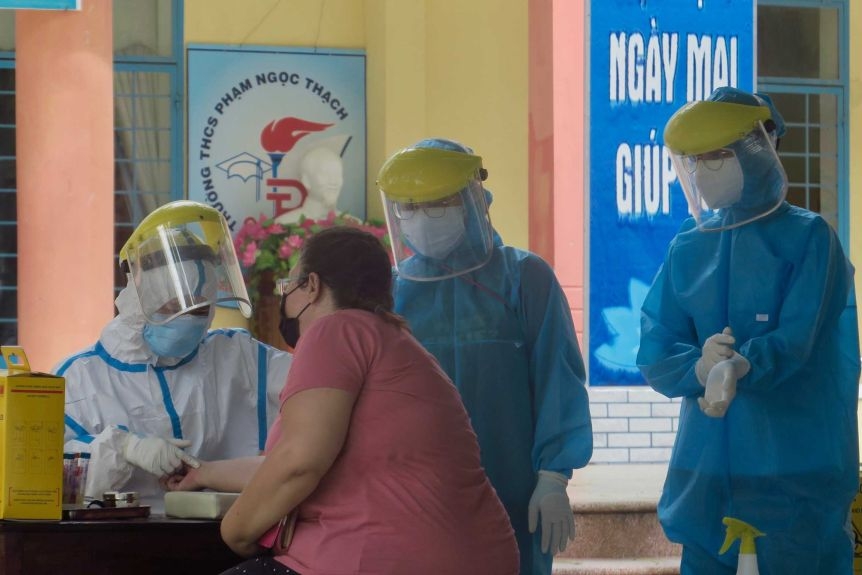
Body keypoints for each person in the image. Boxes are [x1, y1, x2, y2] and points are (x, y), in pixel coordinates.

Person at [163, 226, 520, 575]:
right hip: (476, 553)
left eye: (289, 286)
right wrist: (203, 473)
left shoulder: (336, 330)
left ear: (313, 286)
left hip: (387, 557)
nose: (286, 300)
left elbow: (299, 464)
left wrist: (236, 531)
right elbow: (285, 462)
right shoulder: (395, 342)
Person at [637, 87, 860, 574]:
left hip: (795, 481)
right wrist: (697, 367)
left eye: (718, 155)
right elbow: (655, 344)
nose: (702, 170)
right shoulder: (689, 246)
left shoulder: (808, 240)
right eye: (695, 159)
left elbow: (798, 340)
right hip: (708, 484)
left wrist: (741, 365)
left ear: (760, 149)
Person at [377, 138, 593, 575]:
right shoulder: (391, 292)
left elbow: (558, 378)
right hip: (414, 499)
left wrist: (553, 477)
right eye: (409, 207)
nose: (422, 219)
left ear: (473, 198)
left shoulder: (523, 278)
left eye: (438, 203)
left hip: (511, 493)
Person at [58, 200, 293, 510]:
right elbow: (47, 472)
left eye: (201, 309)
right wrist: (123, 448)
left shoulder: (239, 357)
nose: (189, 320)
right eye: (173, 308)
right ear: (140, 303)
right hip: (121, 541)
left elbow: (318, 387)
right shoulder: (79, 377)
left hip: (228, 532)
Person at [275, 145, 344, 225]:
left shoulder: (354, 225)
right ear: (306, 181)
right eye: (325, 175)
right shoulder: (286, 224)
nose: (333, 181)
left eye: (337, 174)